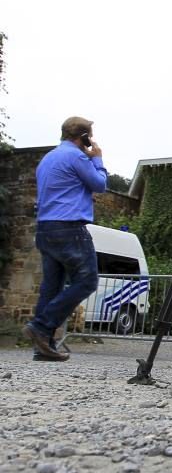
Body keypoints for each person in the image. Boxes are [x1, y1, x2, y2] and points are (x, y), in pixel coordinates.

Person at [22, 117, 108, 361]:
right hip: (69, 227)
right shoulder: (77, 157)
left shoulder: (47, 159)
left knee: (51, 287)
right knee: (87, 280)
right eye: (89, 136)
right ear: (83, 137)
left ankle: (43, 347)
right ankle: (41, 325)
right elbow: (99, 184)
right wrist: (97, 158)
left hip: (45, 229)